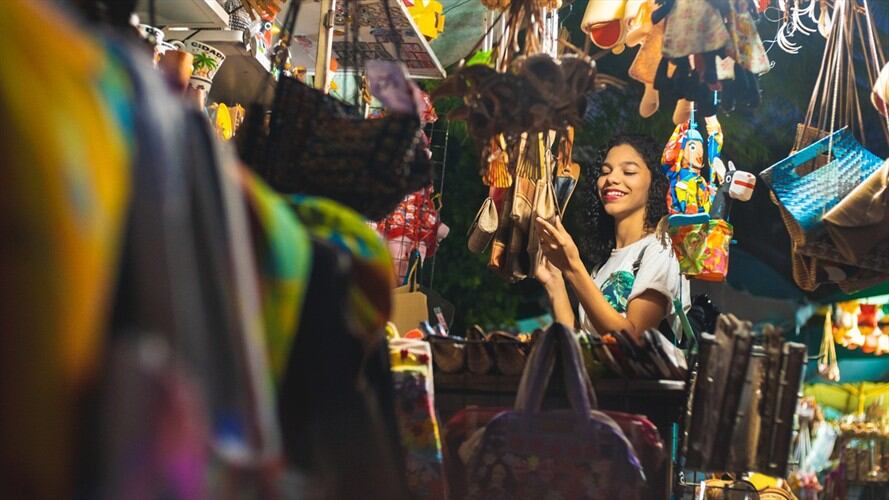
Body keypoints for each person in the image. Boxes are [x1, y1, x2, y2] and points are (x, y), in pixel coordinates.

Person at [535, 133, 689, 343]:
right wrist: (555, 281)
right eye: (605, 171)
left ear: (656, 183)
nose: (611, 179)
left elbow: (633, 339)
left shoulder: (661, 248)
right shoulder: (603, 267)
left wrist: (573, 267)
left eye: (629, 171)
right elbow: (579, 345)